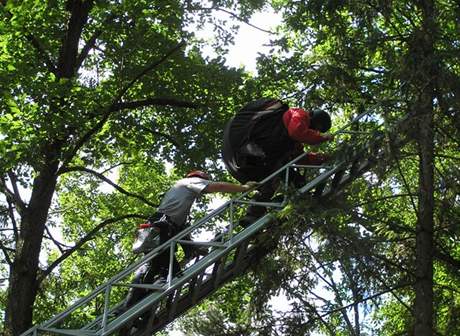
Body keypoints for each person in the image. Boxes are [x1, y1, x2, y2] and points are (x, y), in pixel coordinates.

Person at [119, 170, 257, 331]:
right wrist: (244, 187)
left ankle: (141, 314)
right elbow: (217, 186)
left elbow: (181, 230)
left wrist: (193, 249)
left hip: (164, 229)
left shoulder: (180, 200)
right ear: (199, 178)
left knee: (156, 271)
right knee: (164, 271)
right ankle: (130, 310)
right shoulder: (189, 182)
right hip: (161, 229)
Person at [222, 98, 334, 225]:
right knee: (283, 173)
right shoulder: (298, 113)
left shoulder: (290, 142)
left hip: (250, 159)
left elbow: (302, 158)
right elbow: (297, 131)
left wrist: (322, 157)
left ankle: (253, 213)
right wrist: (322, 137)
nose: (315, 131)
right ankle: (280, 200)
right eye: (316, 129)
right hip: (252, 150)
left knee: (273, 181)